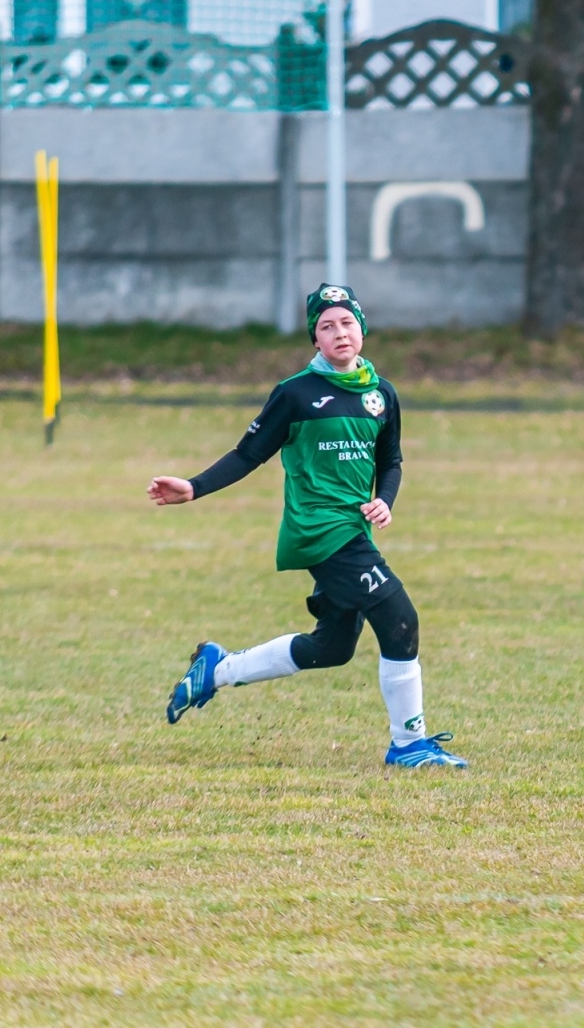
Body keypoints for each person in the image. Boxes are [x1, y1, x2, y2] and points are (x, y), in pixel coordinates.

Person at [146, 283, 467, 768]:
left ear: (362, 328)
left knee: (333, 647)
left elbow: (392, 459)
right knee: (400, 619)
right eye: (326, 326)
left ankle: (217, 669)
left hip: (354, 529)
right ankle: (409, 744)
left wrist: (384, 499)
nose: (339, 332)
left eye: (346, 322)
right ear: (314, 339)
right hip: (320, 530)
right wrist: (193, 487)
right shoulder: (295, 394)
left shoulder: (381, 393)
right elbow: (248, 453)